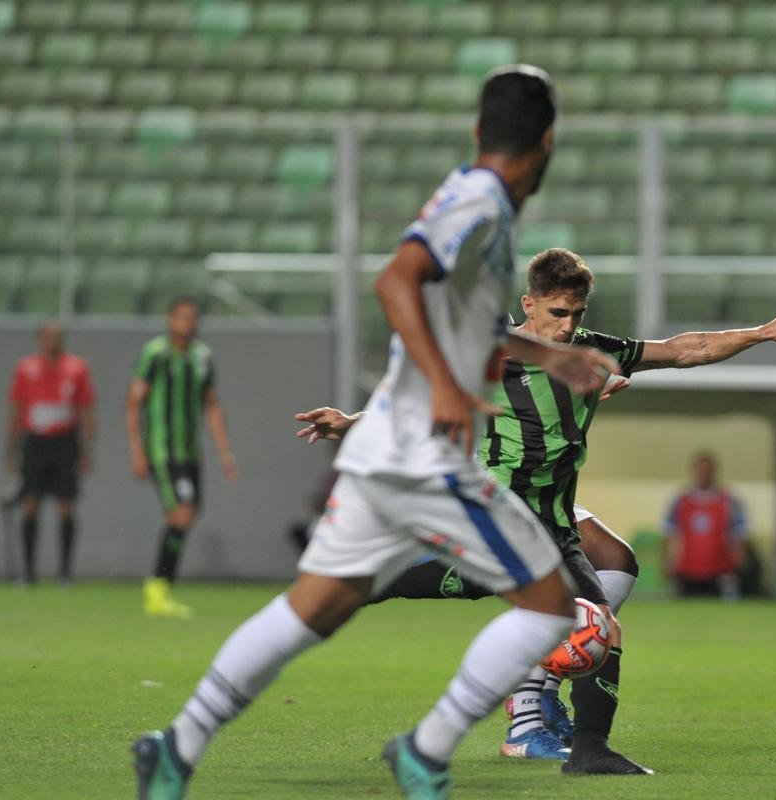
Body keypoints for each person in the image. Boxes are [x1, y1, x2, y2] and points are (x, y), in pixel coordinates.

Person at [132, 65, 623, 800]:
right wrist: (452, 386)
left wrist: (552, 355)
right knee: (554, 605)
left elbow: (469, 330)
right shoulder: (480, 202)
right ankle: (427, 748)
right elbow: (395, 281)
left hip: (382, 451)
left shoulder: (478, 205)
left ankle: (177, 744)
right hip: (423, 454)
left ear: (475, 131)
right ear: (548, 142)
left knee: (314, 608)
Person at [294, 247, 776, 774]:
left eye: (577, 314)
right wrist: (349, 422)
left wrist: (760, 332)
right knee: (596, 622)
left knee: (568, 604)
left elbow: (683, 349)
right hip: (501, 511)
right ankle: (578, 742)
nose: (569, 327)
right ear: (529, 303)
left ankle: (364, 586)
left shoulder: (593, 350)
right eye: (557, 314)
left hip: (555, 520)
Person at [125, 297, 238, 619]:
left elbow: (211, 405)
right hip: (164, 450)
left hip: (191, 451)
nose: (188, 323)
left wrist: (225, 452)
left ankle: (160, 587)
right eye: (182, 317)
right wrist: (137, 450)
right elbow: (134, 403)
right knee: (183, 512)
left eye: (193, 318)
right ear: (170, 319)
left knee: (188, 513)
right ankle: (158, 587)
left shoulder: (203, 357)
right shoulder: (155, 354)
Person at [5, 320, 95, 586]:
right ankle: (29, 573)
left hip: (65, 441)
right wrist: (11, 449)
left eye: (57, 336)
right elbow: (17, 410)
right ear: (40, 339)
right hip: (35, 442)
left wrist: (87, 448)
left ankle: (65, 574)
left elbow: (87, 410)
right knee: (30, 503)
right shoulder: (25, 368)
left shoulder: (77, 369)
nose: (52, 341)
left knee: (65, 506)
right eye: (48, 336)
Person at [663, 451, 749, 599]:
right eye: (700, 470)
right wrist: (668, 562)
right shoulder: (682, 501)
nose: (704, 474)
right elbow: (671, 535)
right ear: (695, 471)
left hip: (720, 570)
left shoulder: (728, 500)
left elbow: (740, 534)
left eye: (707, 470)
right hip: (687, 570)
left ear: (714, 471)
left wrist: (737, 564)